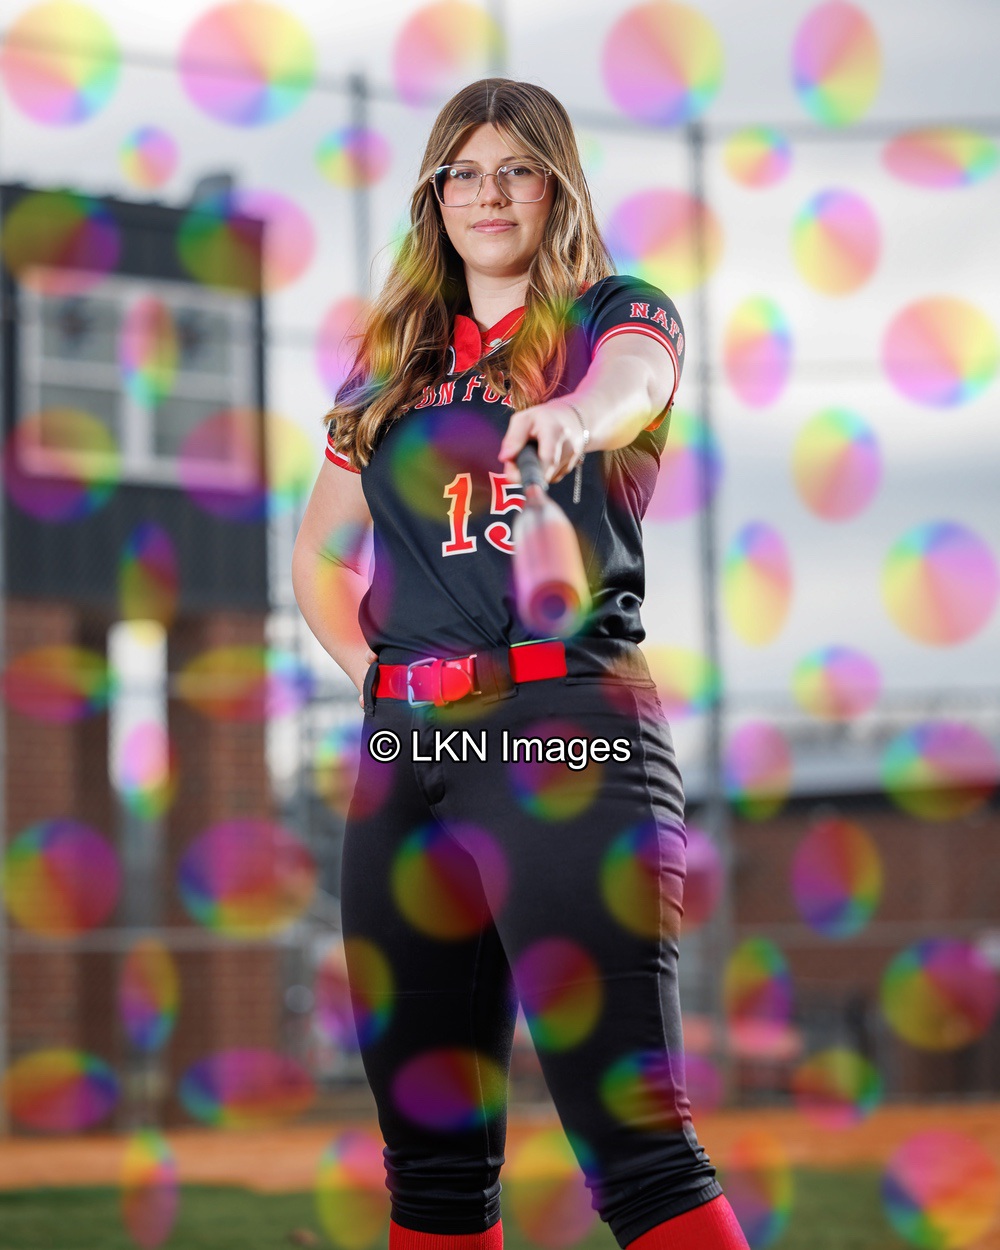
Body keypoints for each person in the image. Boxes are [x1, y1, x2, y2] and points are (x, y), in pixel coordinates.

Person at [292, 78, 749, 1250]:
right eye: (464, 171)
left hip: (564, 733)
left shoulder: (611, 315)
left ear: (558, 188)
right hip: (405, 756)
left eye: (517, 169)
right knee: (430, 1171)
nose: (488, 193)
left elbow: (635, 381)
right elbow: (320, 551)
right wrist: (379, 677)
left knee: (636, 1146)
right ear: (434, 195)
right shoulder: (389, 363)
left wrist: (573, 419)